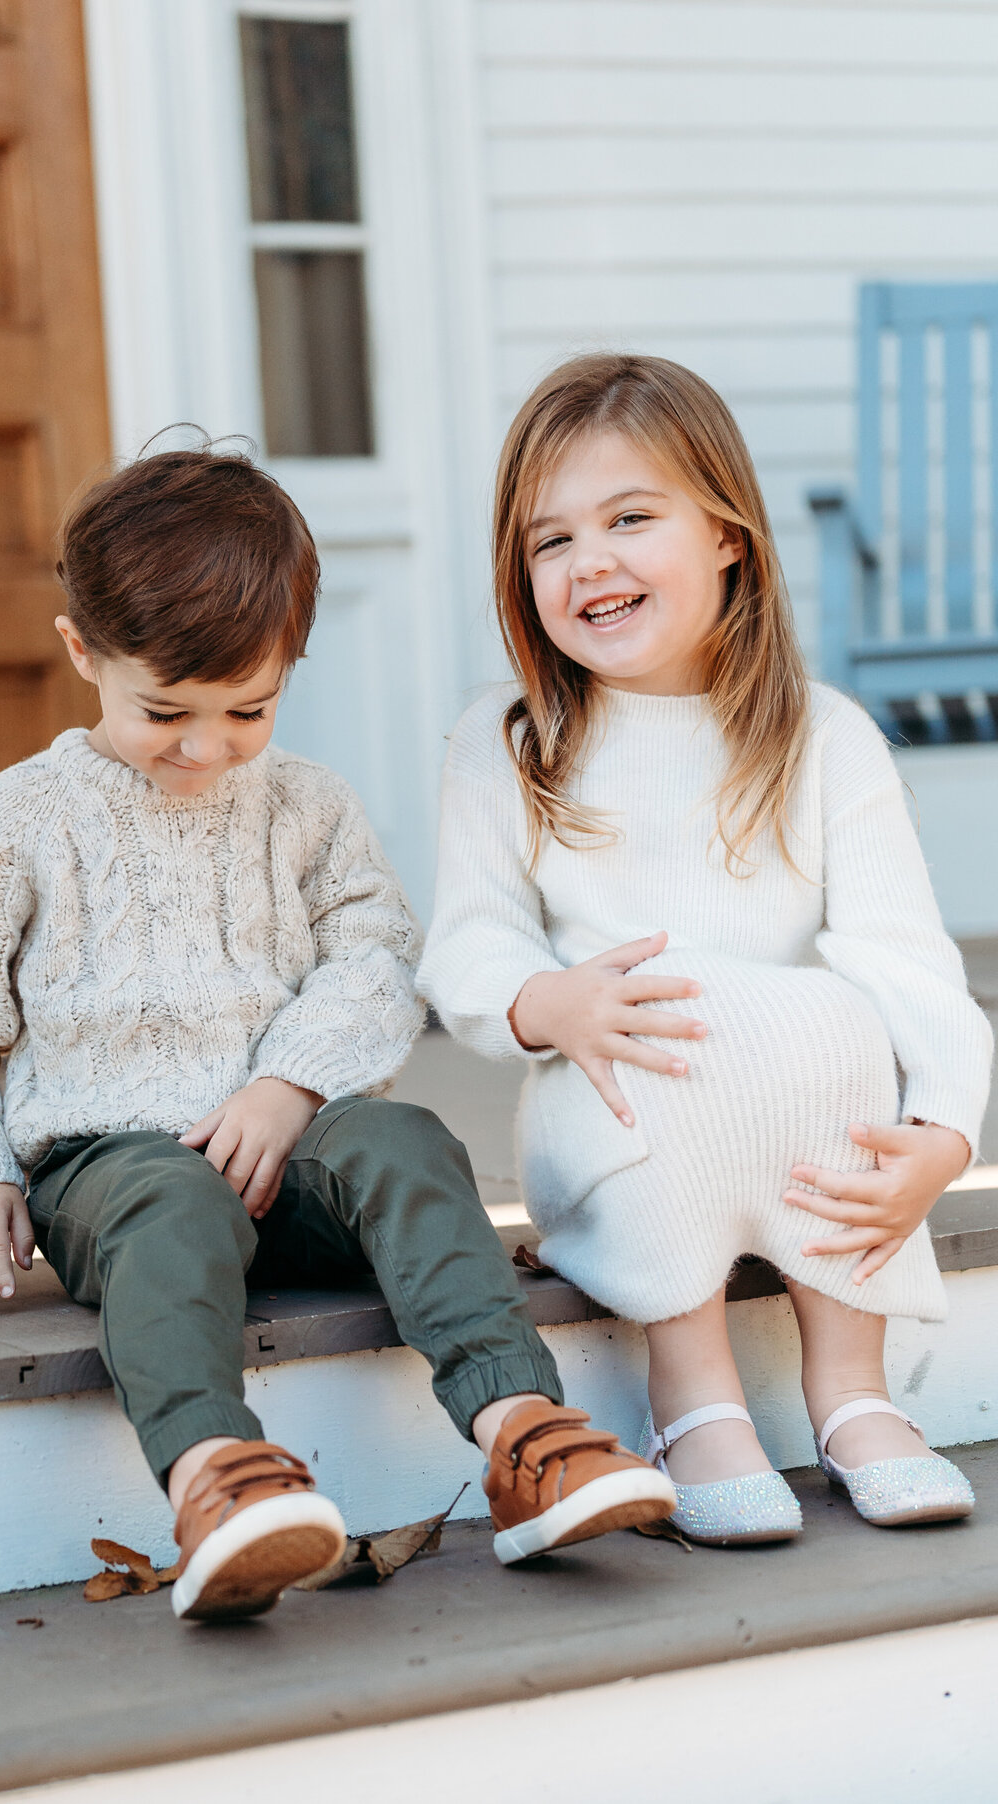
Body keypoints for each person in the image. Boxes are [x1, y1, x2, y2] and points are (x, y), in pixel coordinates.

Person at [0, 443, 677, 1623]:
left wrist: (292, 1083)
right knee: (169, 1200)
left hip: (284, 1150)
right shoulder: (20, 820)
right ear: (83, 652)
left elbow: (373, 954)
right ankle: (216, 1479)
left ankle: (525, 1433)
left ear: (289, 667)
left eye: (246, 708)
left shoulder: (307, 806)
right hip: (112, 1171)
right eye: (165, 712)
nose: (205, 747)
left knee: (402, 1140)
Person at [419, 355, 993, 1546]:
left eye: (632, 518)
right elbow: (470, 939)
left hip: (796, 1111)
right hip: (618, 1106)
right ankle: (694, 1394)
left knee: (841, 1009)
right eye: (551, 541)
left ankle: (852, 1390)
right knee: (667, 1003)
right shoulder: (510, 741)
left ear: (730, 537)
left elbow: (901, 951)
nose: (592, 562)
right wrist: (545, 1005)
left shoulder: (823, 737)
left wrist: (944, 1130)